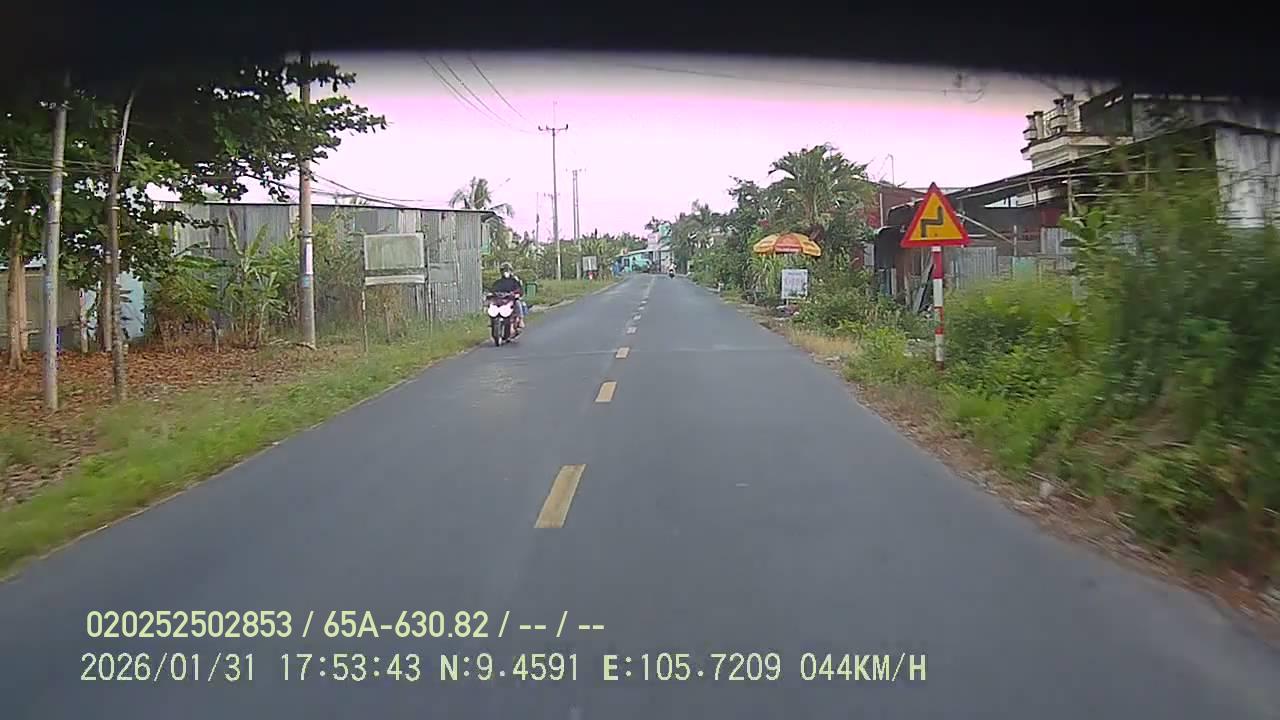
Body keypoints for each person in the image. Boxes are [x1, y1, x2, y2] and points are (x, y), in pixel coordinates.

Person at [491, 262, 525, 330]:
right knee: (492, 304)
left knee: (518, 303)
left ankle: (521, 319)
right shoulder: (498, 282)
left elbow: (520, 289)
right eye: (504, 270)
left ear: (511, 271)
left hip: (511, 299)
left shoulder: (514, 281)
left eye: (507, 270)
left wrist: (517, 294)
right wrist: (492, 294)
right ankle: (493, 322)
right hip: (501, 300)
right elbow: (493, 289)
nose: (505, 272)